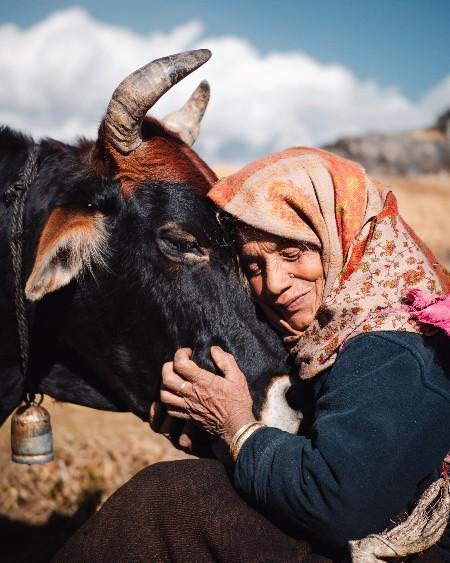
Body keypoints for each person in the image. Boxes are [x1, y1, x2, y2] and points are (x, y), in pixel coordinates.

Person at [53, 147, 450, 563]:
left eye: (292, 253)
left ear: (340, 236)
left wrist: (237, 427)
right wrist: (220, 439)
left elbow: (337, 503)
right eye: (254, 266)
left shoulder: (392, 347)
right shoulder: (337, 330)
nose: (274, 283)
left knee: (168, 505)